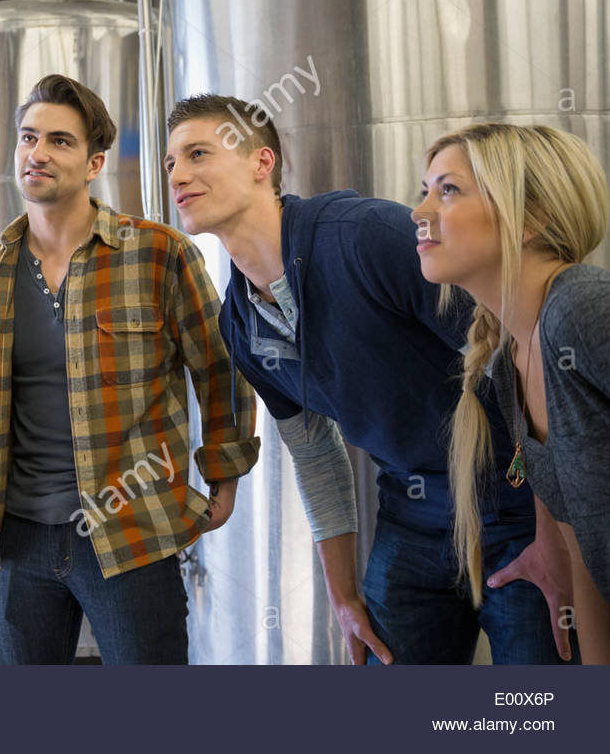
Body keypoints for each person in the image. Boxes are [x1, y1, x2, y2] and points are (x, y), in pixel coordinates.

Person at [165, 94, 572, 664]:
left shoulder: (365, 237)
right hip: (411, 511)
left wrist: (559, 538)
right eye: (170, 164)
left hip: (518, 507)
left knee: (537, 718)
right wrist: (342, 596)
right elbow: (315, 455)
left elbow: (523, 360)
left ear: (262, 163)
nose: (178, 175)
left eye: (198, 153)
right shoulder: (239, 323)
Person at [0, 75, 259, 665]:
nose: (36, 153)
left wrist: (225, 479)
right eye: (28, 137)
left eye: (59, 141)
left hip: (131, 532)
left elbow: (221, 368)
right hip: (19, 544)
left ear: (94, 163)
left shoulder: (159, 253)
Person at [412, 122, 610, 663]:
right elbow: (585, 561)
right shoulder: (509, 369)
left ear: (531, 219)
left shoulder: (582, 307)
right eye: (424, 191)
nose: (419, 212)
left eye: (447, 190)